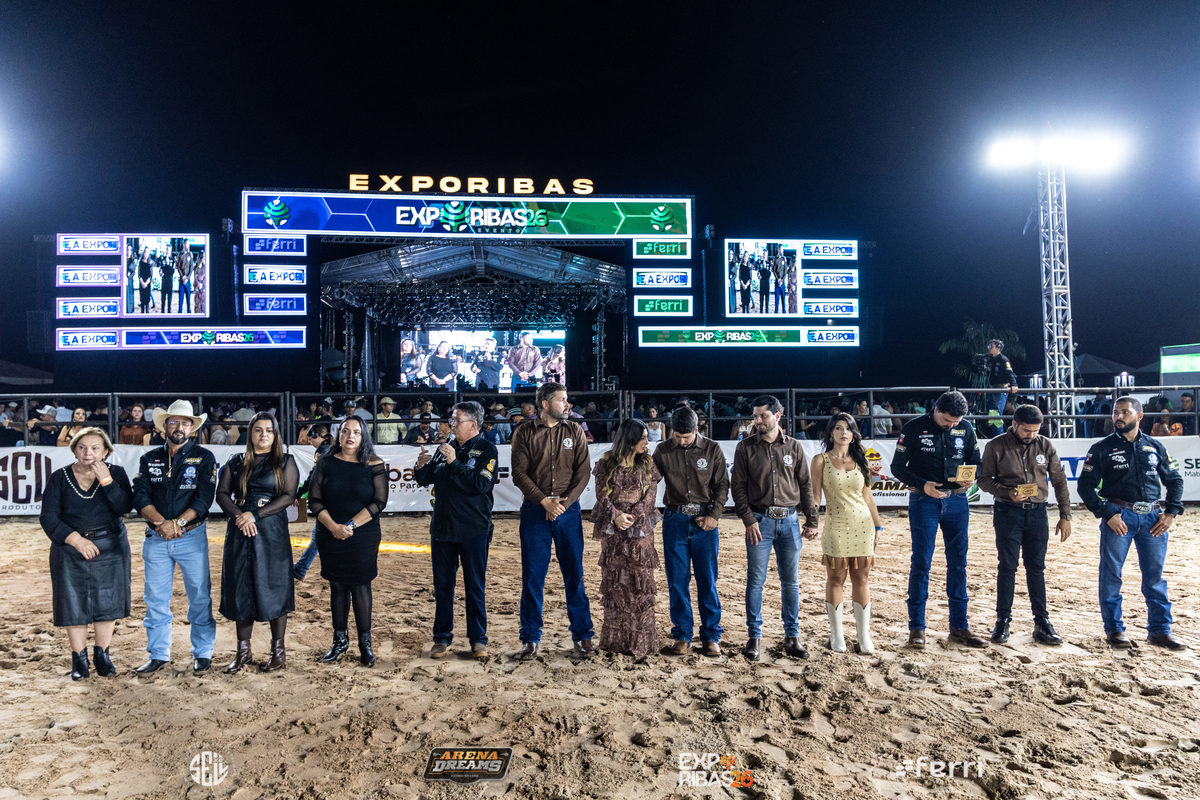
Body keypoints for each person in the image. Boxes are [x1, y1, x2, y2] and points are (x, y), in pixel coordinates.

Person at [1077, 397, 1186, 650]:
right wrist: (1107, 513)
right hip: (1119, 517)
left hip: (1153, 518)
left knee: (1155, 576)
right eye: (1116, 412)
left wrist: (1171, 513)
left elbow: (1175, 480)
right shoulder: (1101, 448)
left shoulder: (1155, 446)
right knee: (1111, 574)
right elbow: (1085, 486)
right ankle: (1114, 629)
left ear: (1140, 416)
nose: (1118, 416)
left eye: (1125, 412)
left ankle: (1160, 631)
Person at [890, 390, 987, 649]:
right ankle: (917, 629)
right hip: (924, 501)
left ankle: (960, 627)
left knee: (959, 563)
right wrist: (923, 485)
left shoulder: (967, 428)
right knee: (921, 562)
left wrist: (972, 476)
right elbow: (897, 467)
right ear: (936, 409)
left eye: (955, 422)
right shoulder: (913, 428)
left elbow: (976, 462)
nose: (951, 425)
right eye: (946, 421)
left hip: (957, 501)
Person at [130, 400, 218, 673]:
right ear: (164, 426)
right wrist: (161, 523)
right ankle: (158, 653)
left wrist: (177, 523)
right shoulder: (149, 459)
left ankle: (202, 652)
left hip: (191, 536)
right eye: (173, 422)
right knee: (155, 598)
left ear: (192, 428)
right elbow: (140, 496)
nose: (179, 427)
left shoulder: (204, 458)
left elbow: (204, 499)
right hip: (156, 537)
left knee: (199, 596)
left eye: (184, 423)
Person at [40, 428, 134, 680]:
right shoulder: (59, 478)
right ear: (74, 450)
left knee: (108, 601)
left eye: (94, 448)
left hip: (111, 547)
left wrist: (107, 482)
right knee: (73, 602)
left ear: (105, 451)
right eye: (81, 447)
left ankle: (102, 655)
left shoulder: (116, 473)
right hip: (70, 548)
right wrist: (76, 540)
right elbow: (48, 517)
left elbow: (125, 506)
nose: (88, 452)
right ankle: (78, 658)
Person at [509, 381, 594, 660]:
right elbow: (519, 473)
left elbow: (584, 472)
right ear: (545, 404)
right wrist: (544, 501)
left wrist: (562, 504)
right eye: (562, 400)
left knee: (574, 574)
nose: (567, 404)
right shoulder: (524, 432)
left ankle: (583, 635)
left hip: (568, 511)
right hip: (536, 511)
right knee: (533, 576)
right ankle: (530, 637)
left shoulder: (575, 431)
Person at [730, 394, 819, 661]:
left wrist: (812, 520)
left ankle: (792, 636)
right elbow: (738, 487)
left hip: (790, 521)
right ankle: (754, 637)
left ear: (777, 416)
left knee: (791, 582)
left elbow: (805, 485)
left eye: (763, 415)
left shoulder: (794, 446)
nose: (758, 420)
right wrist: (748, 520)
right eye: (755, 416)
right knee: (756, 581)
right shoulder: (745, 448)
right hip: (760, 521)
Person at [978, 404, 1073, 646]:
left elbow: (1059, 480)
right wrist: (1007, 492)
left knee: (1036, 568)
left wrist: (1065, 515)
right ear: (1014, 424)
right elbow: (983, 480)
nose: (1031, 435)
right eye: (1026, 430)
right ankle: (1002, 620)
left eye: (1035, 431)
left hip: (1038, 513)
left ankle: (1042, 622)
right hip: (1007, 512)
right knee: (1007, 567)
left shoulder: (1046, 445)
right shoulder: (996, 446)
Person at [216, 412, 299, 673]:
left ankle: (278, 653)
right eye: (258, 430)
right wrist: (240, 516)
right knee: (241, 586)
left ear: (276, 435)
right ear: (250, 433)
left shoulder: (285, 461)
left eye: (269, 430)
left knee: (274, 586)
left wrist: (256, 515)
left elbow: (288, 496)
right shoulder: (236, 462)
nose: (264, 435)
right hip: (240, 530)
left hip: (271, 531)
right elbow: (222, 494)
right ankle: (243, 652)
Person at [414, 401, 498, 659]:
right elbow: (425, 479)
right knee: (442, 586)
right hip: (443, 528)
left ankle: (478, 639)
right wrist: (420, 466)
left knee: (475, 585)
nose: (451, 425)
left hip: (474, 528)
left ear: (473, 424)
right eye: (451, 420)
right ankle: (441, 637)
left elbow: (479, 485)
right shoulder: (446, 447)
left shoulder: (487, 449)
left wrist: (453, 462)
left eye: (456, 420)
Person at [307, 416, 388, 666]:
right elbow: (314, 501)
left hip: (362, 534)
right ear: (338, 435)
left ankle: (365, 644)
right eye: (345, 431)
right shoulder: (326, 462)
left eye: (356, 432)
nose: (350, 436)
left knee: (361, 585)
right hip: (330, 533)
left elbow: (379, 502)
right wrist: (333, 527)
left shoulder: (374, 464)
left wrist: (349, 526)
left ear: (363, 437)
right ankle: (339, 640)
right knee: (337, 586)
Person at [652, 405, 728, 657]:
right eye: (677, 436)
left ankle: (711, 635)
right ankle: (682, 634)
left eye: (686, 437)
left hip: (704, 521)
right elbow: (648, 481)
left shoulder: (712, 449)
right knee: (677, 580)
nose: (682, 441)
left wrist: (714, 515)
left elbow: (722, 485)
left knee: (708, 579)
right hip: (674, 519)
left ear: (697, 429)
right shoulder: (662, 450)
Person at [810, 413, 884, 654]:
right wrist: (811, 522)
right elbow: (815, 497)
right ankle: (837, 634)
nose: (844, 432)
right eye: (838, 428)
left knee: (862, 578)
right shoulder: (820, 460)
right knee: (835, 579)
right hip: (836, 526)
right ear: (831, 433)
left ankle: (864, 636)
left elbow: (868, 497)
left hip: (863, 526)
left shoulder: (862, 460)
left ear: (854, 434)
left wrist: (878, 526)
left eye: (848, 428)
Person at [590, 419, 662, 656]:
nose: (646, 442)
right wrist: (616, 516)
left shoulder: (647, 463)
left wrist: (632, 516)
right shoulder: (606, 462)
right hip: (613, 532)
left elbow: (650, 497)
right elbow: (602, 495)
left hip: (640, 531)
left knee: (640, 585)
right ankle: (617, 643)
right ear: (629, 439)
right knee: (616, 586)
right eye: (642, 437)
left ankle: (640, 643)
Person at [291, 423, 331, 580]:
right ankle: (301, 568)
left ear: (316, 436)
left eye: (310, 438)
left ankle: (301, 569)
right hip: (331, 496)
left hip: (328, 498)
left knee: (319, 535)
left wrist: (300, 492)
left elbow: (315, 474)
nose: (309, 441)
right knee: (319, 535)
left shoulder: (322, 451)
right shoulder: (328, 449)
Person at [985, 339, 1017, 436]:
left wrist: (1014, 384)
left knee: (996, 414)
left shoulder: (1003, 359)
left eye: (991, 346)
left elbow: (1010, 372)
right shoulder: (991, 360)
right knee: (992, 415)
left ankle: (999, 436)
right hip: (993, 388)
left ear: (998, 348)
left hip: (1001, 389)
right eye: (989, 346)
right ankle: (997, 435)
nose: (989, 348)